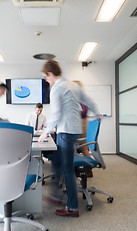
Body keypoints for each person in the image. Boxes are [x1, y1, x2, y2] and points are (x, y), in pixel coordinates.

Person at [39, 60, 98, 217]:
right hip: (74, 130)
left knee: (67, 170)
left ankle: (72, 207)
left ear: (51, 74)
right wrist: (97, 114)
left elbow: (56, 113)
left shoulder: (57, 88)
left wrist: (46, 132)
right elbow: (89, 100)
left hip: (65, 131)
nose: (46, 80)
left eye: (46, 77)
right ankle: (57, 196)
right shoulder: (73, 85)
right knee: (57, 161)